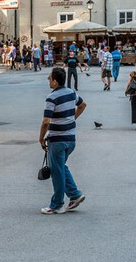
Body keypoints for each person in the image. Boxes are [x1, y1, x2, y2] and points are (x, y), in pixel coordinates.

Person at [39, 67, 86, 214]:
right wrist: (72, 119)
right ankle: (75, 195)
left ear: (55, 81)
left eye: (49, 78)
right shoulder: (72, 93)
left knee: (57, 172)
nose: (48, 80)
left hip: (57, 140)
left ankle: (57, 204)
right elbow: (83, 105)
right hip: (71, 139)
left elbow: (46, 121)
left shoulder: (51, 97)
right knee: (60, 167)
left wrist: (41, 138)